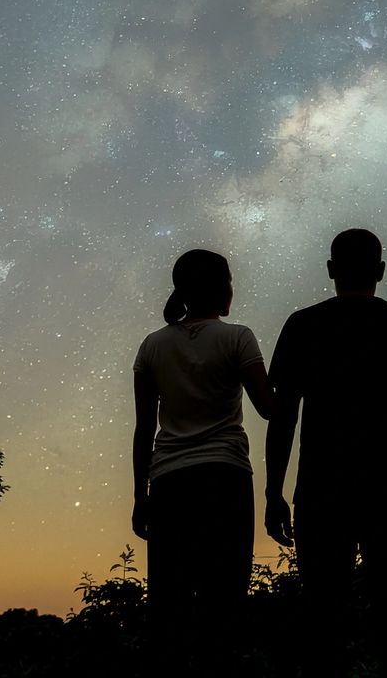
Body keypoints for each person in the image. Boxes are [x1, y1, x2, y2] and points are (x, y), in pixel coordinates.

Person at [264, 228, 387, 677]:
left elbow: (283, 418)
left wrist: (273, 491)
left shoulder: (302, 325)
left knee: (323, 621)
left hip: (321, 491)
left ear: (329, 270)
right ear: (380, 270)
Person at [132, 249, 272, 675]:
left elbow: (143, 431)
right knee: (225, 599)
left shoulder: (152, 346)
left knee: (170, 603)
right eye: (229, 281)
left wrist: (141, 497)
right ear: (219, 288)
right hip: (224, 477)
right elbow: (268, 407)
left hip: (170, 482)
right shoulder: (237, 338)